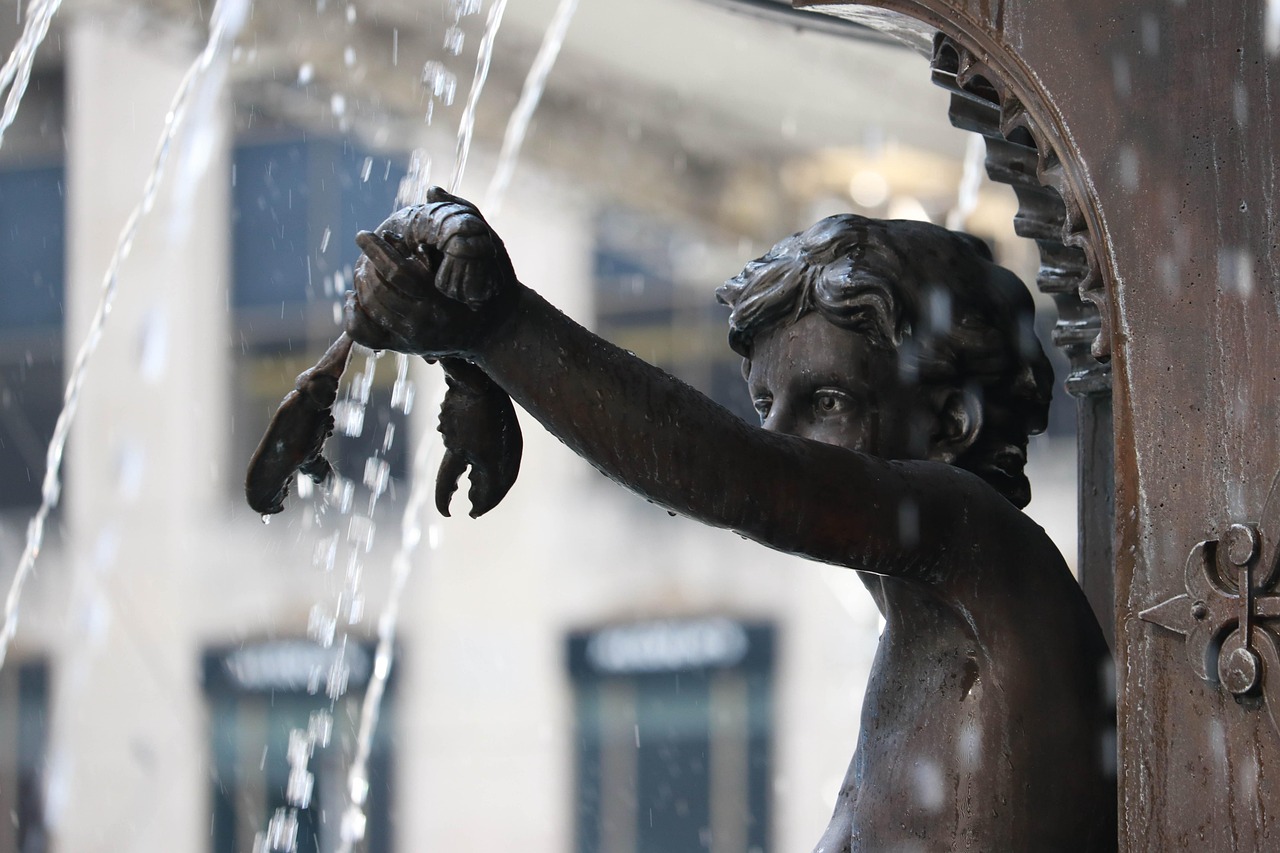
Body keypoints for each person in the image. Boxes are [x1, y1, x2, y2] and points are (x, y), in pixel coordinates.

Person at [257, 187, 1117, 851]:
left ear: (951, 423)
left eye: (825, 401)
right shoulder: (926, 632)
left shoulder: (980, 540)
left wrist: (498, 326)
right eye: (765, 405)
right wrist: (474, 352)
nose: (781, 436)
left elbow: (743, 475)